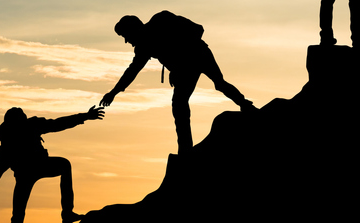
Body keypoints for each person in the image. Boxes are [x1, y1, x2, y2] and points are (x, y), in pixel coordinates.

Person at [101, 12, 256, 153]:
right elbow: (132, 71)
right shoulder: (143, 48)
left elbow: (198, 29)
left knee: (218, 84)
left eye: (125, 36)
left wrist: (179, 63)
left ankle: (245, 105)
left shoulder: (161, 20)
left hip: (199, 56)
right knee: (179, 103)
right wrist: (113, 93)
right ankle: (185, 147)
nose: (127, 41)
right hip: (184, 69)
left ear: (133, 29)